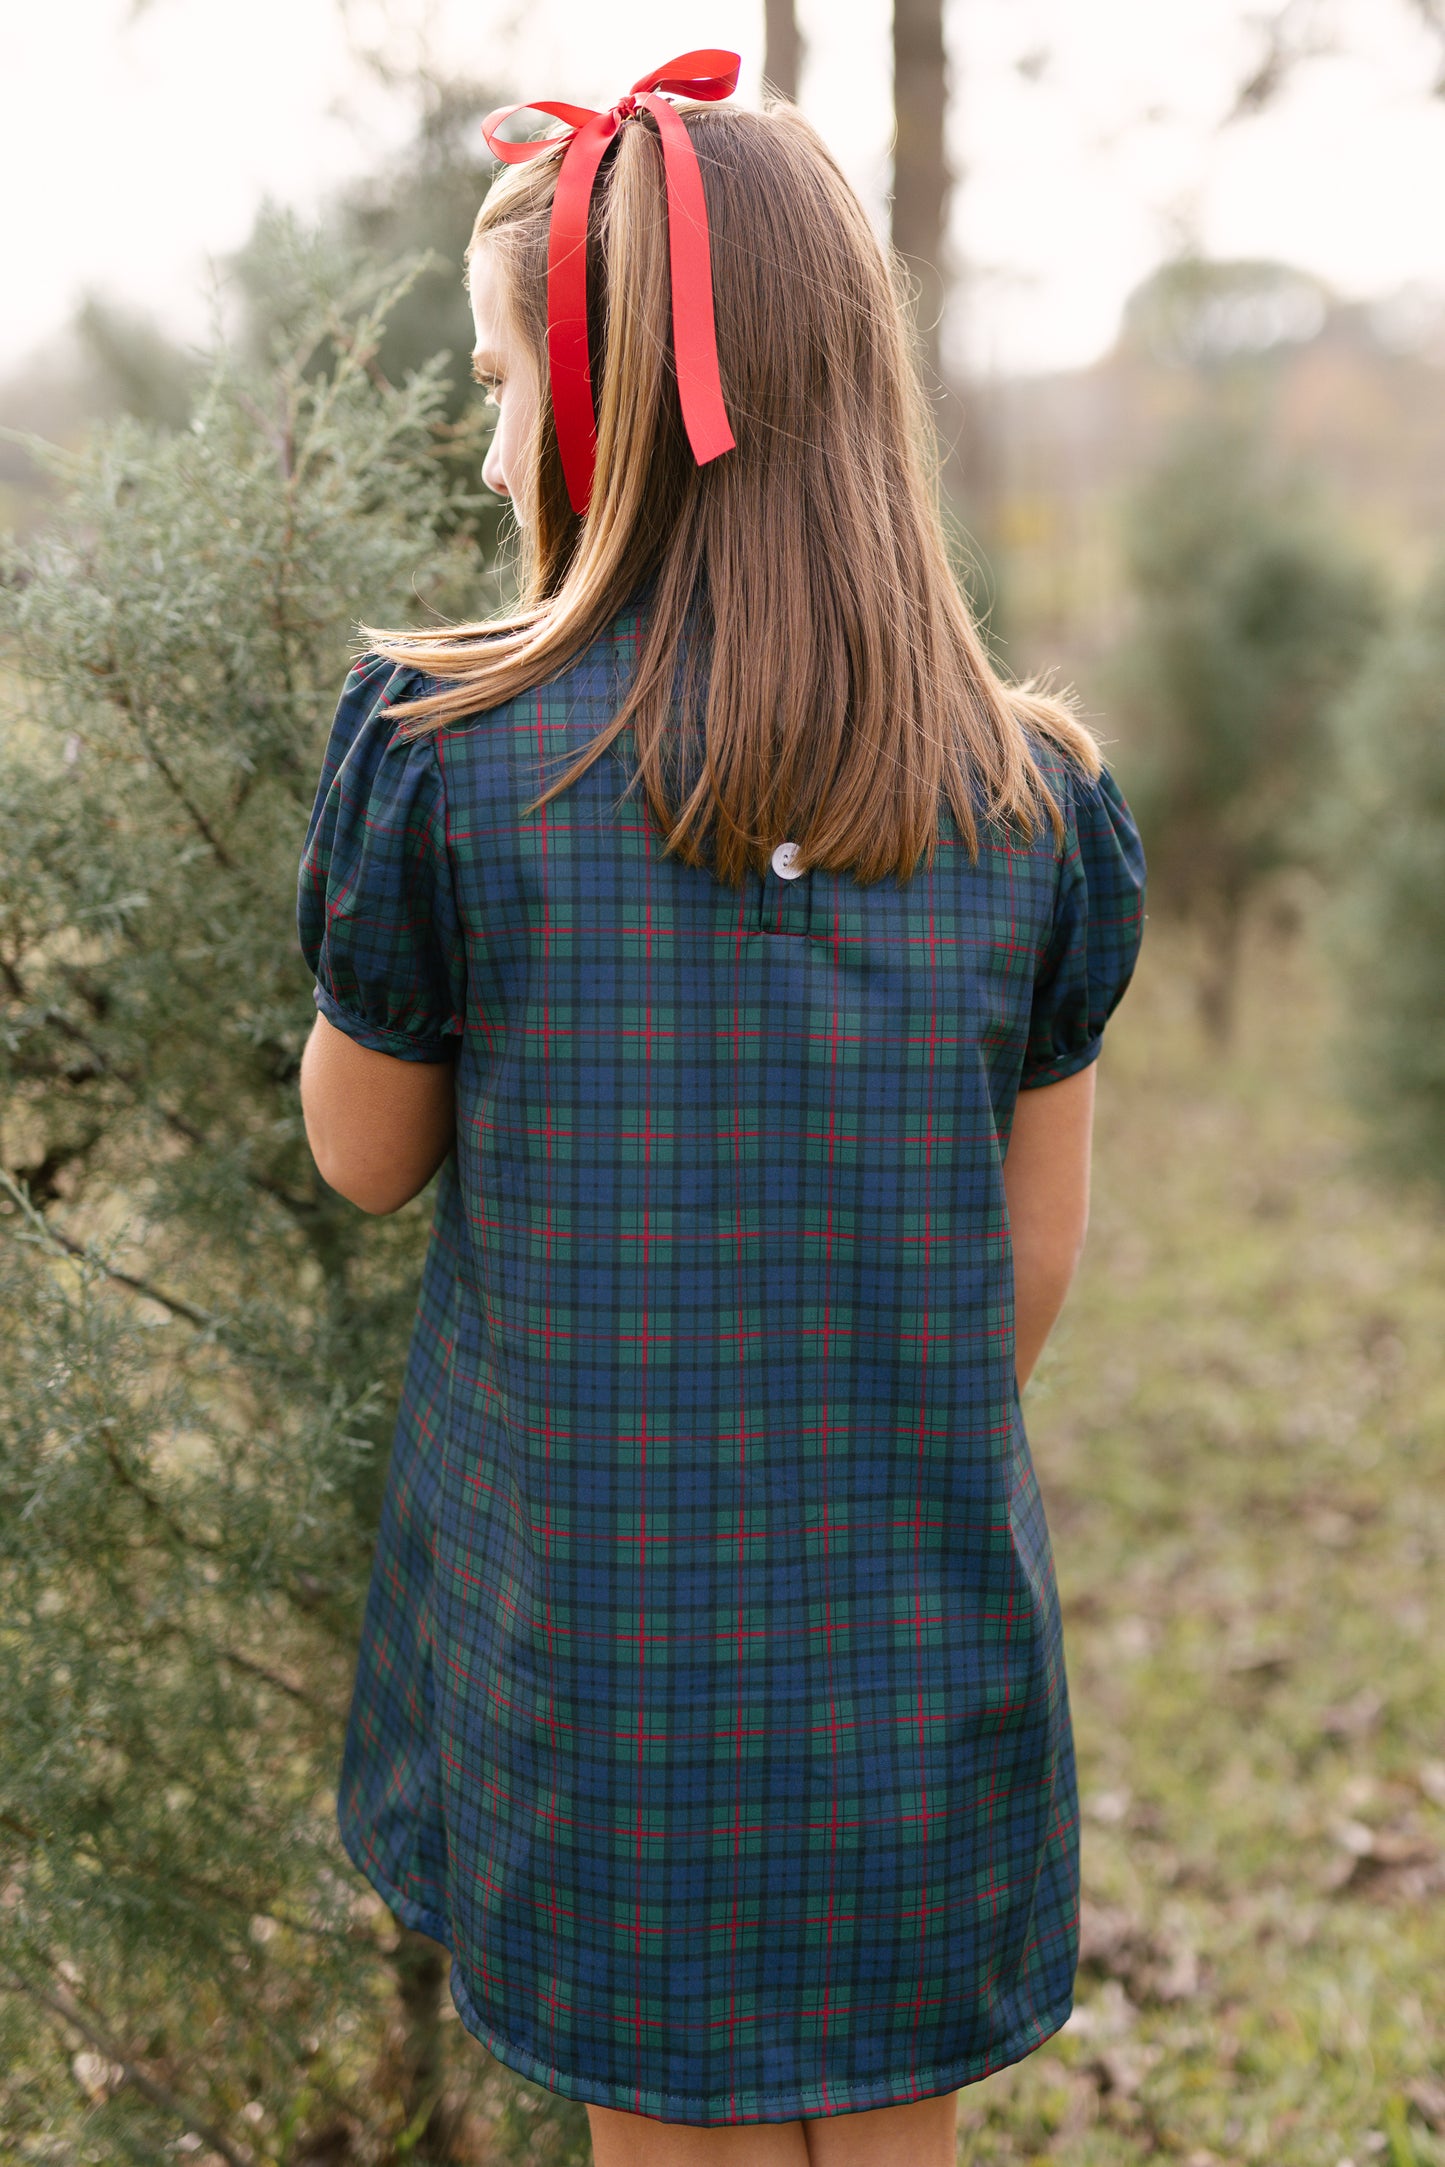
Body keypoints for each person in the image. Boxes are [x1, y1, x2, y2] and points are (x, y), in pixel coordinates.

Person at [297, 51, 1146, 2167]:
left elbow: (360, 1152)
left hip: (605, 1645)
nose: (492, 441)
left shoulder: (443, 749)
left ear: (597, 414)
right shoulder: (1033, 796)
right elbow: (1025, 1270)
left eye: (501, 382)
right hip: (906, 1630)